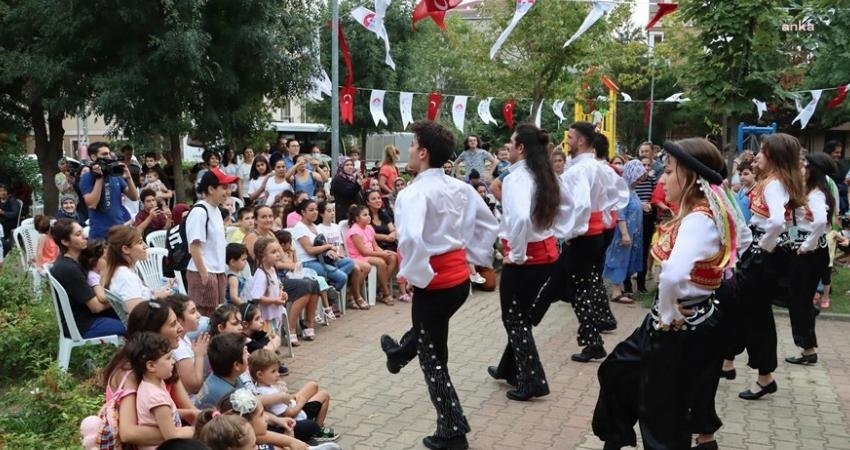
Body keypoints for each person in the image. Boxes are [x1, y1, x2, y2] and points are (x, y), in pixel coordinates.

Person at [592, 138, 737, 450]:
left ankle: (622, 437)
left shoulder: (699, 218)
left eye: (669, 171)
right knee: (617, 370)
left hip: (677, 326)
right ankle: (615, 437)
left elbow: (672, 274)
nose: (661, 178)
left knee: (661, 413)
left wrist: (670, 310)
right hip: (675, 320)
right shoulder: (701, 213)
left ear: (690, 177)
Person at [379, 121, 499, 450]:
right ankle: (398, 353)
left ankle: (452, 430)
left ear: (423, 152)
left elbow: (412, 240)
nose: (408, 150)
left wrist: (418, 276)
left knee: (433, 358)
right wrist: (472, 258)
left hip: (436, 282)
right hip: (458, 281)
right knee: (430, 339)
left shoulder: (413, 192)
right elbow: (488, 224)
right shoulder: (460, 188)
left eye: (412, 143)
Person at [488, 124, 568, 402]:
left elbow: (520, 219)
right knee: (520, 315)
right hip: (545, 253)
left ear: (521, 148)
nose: (507, 147)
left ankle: (532, 379)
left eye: (511, 143)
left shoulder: (518, 179)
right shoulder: (545, 175)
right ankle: (508, 367)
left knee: (514, 318)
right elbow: (568, 208)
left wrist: (517, 255)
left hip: (527, 257)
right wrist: (554, 231)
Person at [725, 133, 807, 400]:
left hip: (765, 257)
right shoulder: (775, 181)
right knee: (743, 306)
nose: (757, 155)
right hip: (765, 254)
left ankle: (763, 377)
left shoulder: (773, 184)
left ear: (773, 156)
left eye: (761, 151)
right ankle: (729, 360)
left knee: (756, 315)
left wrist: (763, 247)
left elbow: (776, 223)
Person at [550, 121, 628, 363]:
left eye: (571, 137)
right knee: (586, 280)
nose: (568, 140)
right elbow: (618, 194)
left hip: (584, 235)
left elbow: (581, 205)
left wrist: (570, 231)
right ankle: (598, 328)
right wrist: (603, 216)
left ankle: (593, 341)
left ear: (581, 141)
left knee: (579, 288)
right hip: (595, 233)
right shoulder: (599, 167)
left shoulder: (578, 170)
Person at [786, 152, 834, 366]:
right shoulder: (810, 192)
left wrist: (805, 246)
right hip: (805, 251)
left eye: (805, 165)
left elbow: (820, 223)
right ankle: (807, 346)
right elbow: (798, 223)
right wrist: (795, 242)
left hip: (810, 254)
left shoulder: (816, 196)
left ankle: (808, 349)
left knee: (800, 301)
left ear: (813, 170)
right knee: (797, 299)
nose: (801, 169)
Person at [49, 219, 125, 338]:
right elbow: (96, 307)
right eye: (78, 234)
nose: (85, 236)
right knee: (134, 324)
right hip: (83, 324)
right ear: (64, 241)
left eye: (82, 232)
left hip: (88, 317)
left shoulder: (74, 260)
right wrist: (124, 299)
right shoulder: (68, 269)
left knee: (138, 316)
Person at [249, 349, 337, 443]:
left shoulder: (262, 386)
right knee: (324, 395)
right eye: (273, 371)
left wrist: (281, 389)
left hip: (293, 405)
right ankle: (318, 431)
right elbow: (290, 414)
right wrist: (301, 402)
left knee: (312, 385)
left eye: (278, 370)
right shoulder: (268, 394)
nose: (278, 374)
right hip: (298, 416)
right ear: (260, 374)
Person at [126, 332, 195, 449]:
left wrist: (190, 413)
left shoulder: (153, 384)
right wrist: (194, 430)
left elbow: (169, 414)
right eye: (168, 358)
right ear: (151, 366)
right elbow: (172, 436)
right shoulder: (155, 396)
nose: (173, 362)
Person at [186, 168, 238, 317]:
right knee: (201, 316)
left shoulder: (215, 210)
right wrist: (205, 276)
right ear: (210, 189)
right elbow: (194, 246)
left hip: (217, 271)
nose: (228, 192)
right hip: (204, 272)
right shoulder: (199, 212)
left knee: (215, 316)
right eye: (224, 187)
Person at [291, 199, 358, 294]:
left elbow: (322, 246)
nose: (315, 212)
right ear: (303, 212)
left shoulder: (315, 227)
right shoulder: (299, 227)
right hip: (308, 262)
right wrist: (328, 246)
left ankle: (330, 286)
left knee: (349, 262)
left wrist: (330, 251)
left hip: (321, 259)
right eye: (311, 210)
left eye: (316, 209)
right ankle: (330, 298)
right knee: (342, 277)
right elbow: (309, 250)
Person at [603, 160, 646, 304]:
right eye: (638, 178)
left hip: (632, 233)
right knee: (620, 259)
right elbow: (620, 213)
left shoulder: (631, 190)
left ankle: (620, 289)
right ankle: (615, 292)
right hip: (623, 233)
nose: (640, 181)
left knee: (626, 260)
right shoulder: (623, 191)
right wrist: (625, 234)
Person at [103, 225, 173, 314]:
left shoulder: (120, 272)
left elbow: (139, 297)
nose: (146, 246)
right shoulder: (127, 277)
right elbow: (137, 312)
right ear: (126, 249)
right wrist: (158, 297)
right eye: (140, 242)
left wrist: (159, 291)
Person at [79, 142, 139, 240]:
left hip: (119, 230)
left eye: (108, 153)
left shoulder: (114, 175)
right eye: (104, 154)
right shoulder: (87, 177)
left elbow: (134, 197)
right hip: (100, 234)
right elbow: (92, 204)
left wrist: (128, 178)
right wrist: (99, 178)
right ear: (93, 157)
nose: (108, 156)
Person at [345, 204, 398, 306]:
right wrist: (381, 255)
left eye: (368, 214)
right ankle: (386, 294)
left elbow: (375, 246)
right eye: (365, 215)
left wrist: (384, 252)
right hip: (358, 256)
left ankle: (381, 289)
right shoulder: (355, 231)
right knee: (381, 262)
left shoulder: (369, 228)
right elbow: (363, 252)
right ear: (357, 218)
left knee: (393, 257)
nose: (369, 216)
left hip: (370, 254)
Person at [164, 295, 210, 395]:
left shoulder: (183, 337)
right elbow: (194, 387)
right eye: (193, 312)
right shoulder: (178, 347)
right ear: (179, 319)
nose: (199, 315)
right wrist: (199, 355)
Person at [195, 333, 250, 409]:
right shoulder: (227, 396)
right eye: (245, 352)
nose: (249, 355)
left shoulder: (227, 374)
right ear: (236, 365)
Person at [629, 155, 657, 294]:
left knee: (644, 249)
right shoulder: (632, 182)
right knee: (630, 249)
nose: (645, 168)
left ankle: (641, 283)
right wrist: (641, 205)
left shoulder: (652, 180)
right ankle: (627, 284)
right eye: (643, 165)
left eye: (648, 165)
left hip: (647, 218)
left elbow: (656, 197)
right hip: (633, 218)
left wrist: (651, 206)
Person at [735, 160, 756, 224]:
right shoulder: (742, 189)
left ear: (754, 174)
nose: (742, 177)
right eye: (740, 175)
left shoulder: (757, 191)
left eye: (746, 174)